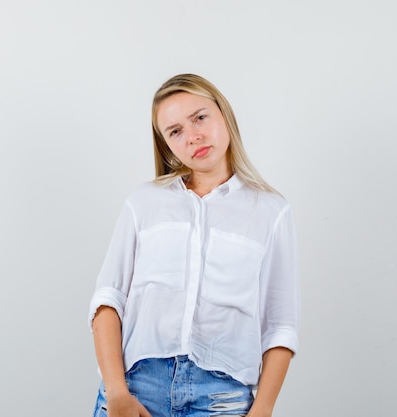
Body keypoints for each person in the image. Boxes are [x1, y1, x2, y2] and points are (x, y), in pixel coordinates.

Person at [88, 74, 300, 417]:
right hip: (137, 390)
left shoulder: (271, 212)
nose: (193, 137)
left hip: (221, 400)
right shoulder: (144, 202)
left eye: (200, 118)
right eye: (175, 131)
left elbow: (280, 326)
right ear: (166, 144)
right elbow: (108, 299)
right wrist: (116, 391)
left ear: (224, 115)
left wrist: (262, 411)